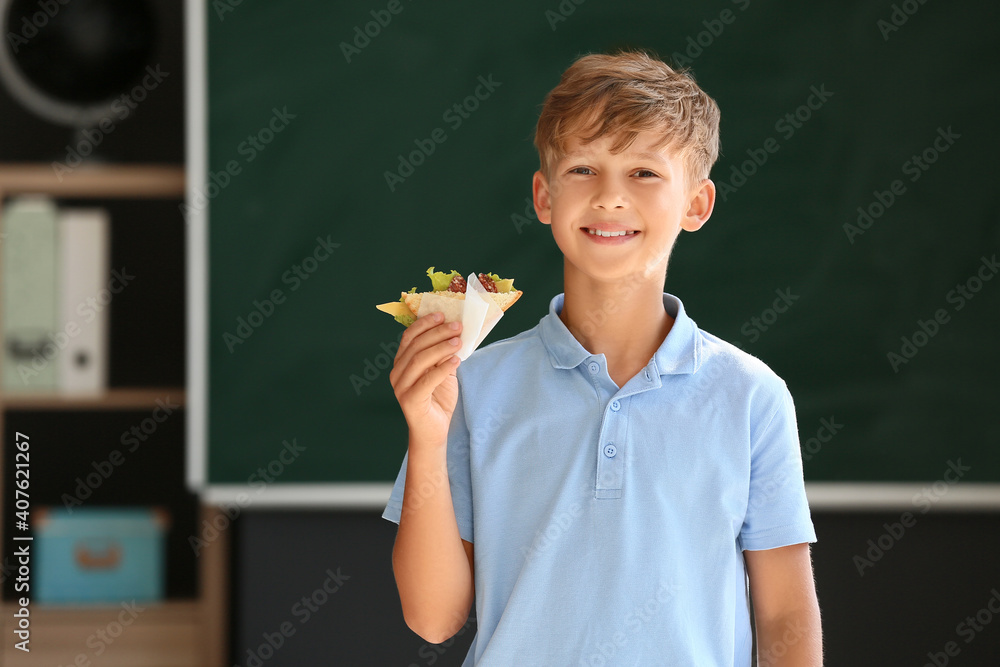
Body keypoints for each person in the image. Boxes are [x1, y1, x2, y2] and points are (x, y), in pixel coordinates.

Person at [382, 49, 822, 666]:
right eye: (584, 169)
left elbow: (783, 614)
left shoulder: (751, 395)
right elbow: (433, 620)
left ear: (697, 203)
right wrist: (427, 438)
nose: (611, 197)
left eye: (644, 173)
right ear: (543, 196)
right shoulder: (472, 386)